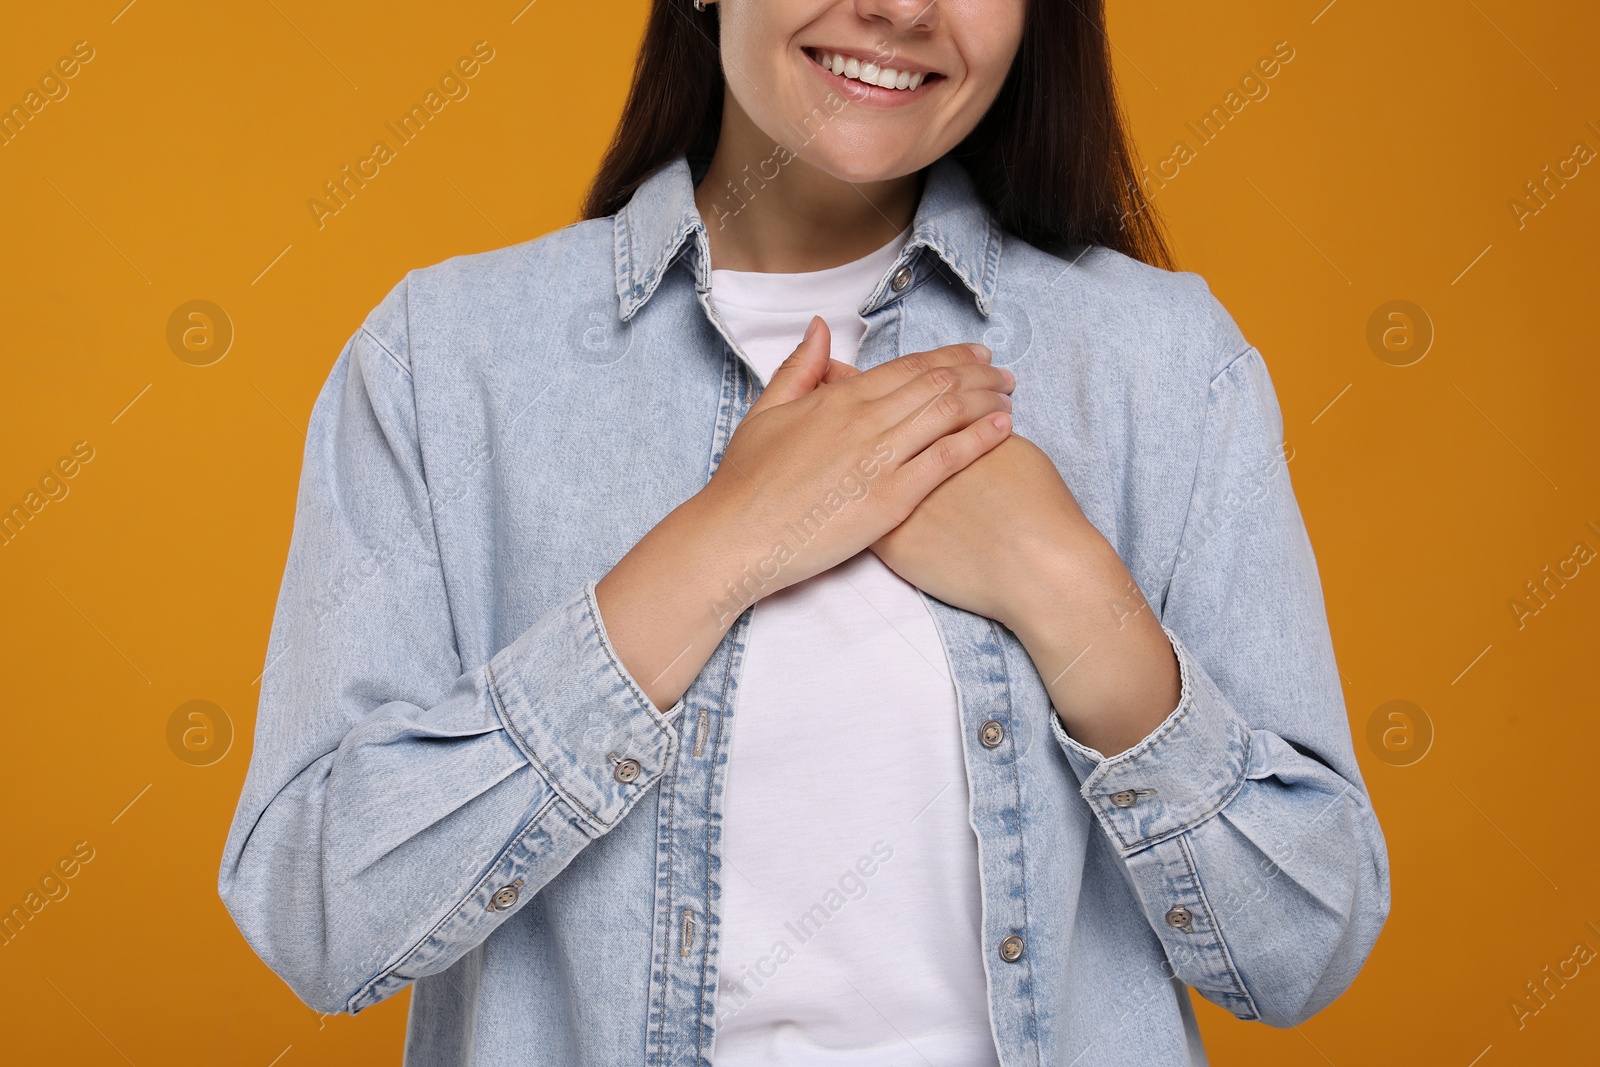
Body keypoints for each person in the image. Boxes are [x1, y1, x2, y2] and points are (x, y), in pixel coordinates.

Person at [218, 0, 1390, 1063]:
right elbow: (316, 914)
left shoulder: (1162, 368)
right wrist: (721, 547)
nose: (900, 8)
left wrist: (1064, 585)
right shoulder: (447, 360)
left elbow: (1301, 944)